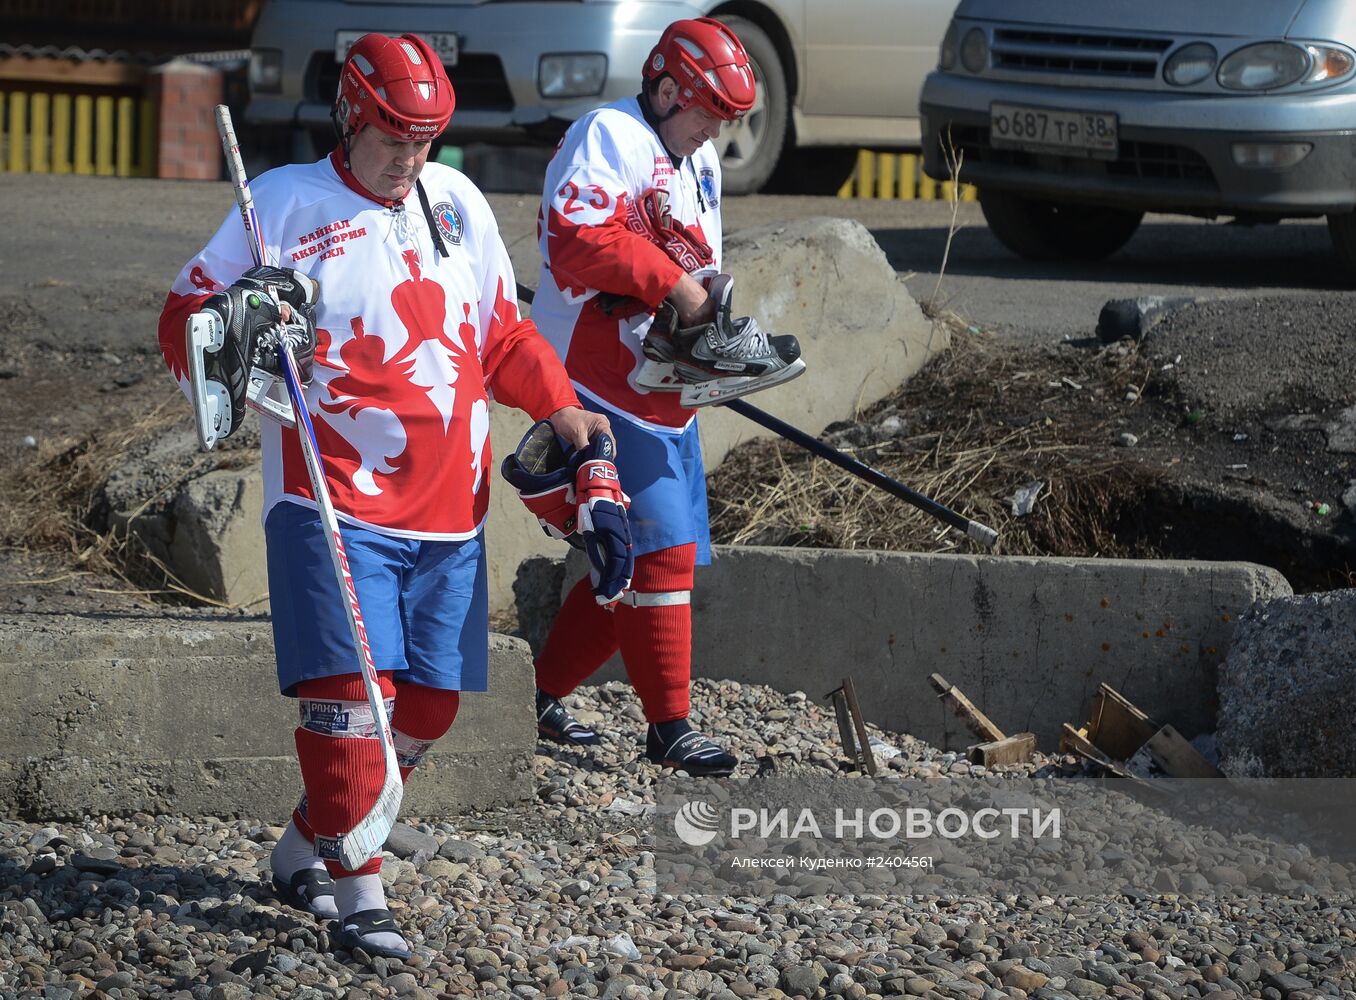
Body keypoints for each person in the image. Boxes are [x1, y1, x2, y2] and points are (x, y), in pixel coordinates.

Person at [156, 32, 614, 960]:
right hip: (330, 496)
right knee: (348, 698)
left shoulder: (458, 199)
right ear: (350, 117)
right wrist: (239, 334)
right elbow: (181, 327)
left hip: (450, 506)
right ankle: (359, 889)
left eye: (426, 138)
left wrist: (562, 407)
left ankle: (307, 846)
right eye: (395, 137)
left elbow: (501, 334)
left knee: (431, 705)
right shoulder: (280, 203)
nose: (412, 157)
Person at [528, 18, 803, 777]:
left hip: (658, 386)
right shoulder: (607, 134)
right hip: (592, 381)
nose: (718, 129)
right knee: (661, 552)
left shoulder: (699, 156)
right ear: (668, 87)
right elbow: (576, 238)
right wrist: (679, 289)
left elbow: (694, 267)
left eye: (728, 116)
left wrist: (710, 325)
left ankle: (537, 695)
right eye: (710, 110)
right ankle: (669, 729)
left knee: (630, 562)